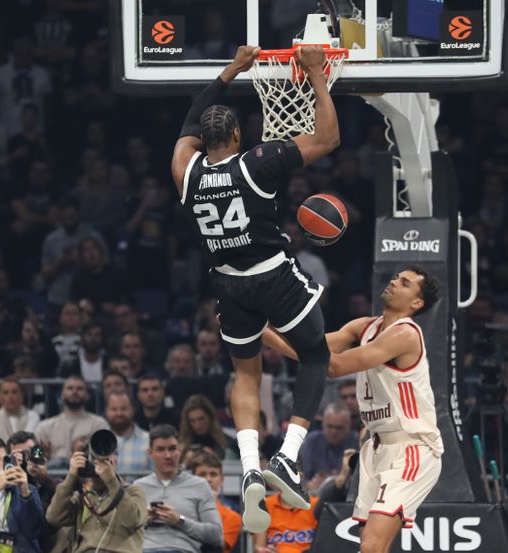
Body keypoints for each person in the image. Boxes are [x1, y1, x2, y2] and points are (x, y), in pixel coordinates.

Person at [171, 44, 340, 532]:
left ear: (201, 139)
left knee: (246, 374)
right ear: (238, 135)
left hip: (228, 285)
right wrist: (316, 74)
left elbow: (189, 119)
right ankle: (286, 456)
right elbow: (328, 138)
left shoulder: (185, 170)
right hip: (272, 275)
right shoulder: (258, 162)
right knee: (315, 355)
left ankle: (249, 466)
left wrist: (232, 70)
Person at [264, 266, 443, 553]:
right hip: (377, 447)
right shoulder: (364, 327)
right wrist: (262, 330)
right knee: (371, 546)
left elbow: (334, 367)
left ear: (416, 303)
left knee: (371, 546)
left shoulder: (405, 334)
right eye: (396, 277)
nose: (394, 282)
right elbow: (312, 348)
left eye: (405, 283)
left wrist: (263, 332)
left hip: (411, 447)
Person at [46, 434, 147, 553]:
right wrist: (71, 477)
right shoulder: (83, 496)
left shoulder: (133, 491)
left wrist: (111, 481)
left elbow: (132, 521)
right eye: (93, 460)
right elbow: (54, 518)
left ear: (115, 460)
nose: (100, 463)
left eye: (106, 459)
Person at [134, 425, 223, 553]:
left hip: (181, 549)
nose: (168, 456)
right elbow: (121, 532)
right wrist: (143, 519)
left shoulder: (199, 485)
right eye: (160, 450)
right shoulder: (138, 486)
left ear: (179, 450)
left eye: (172, 449)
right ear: (150, 453)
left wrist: (179, 520)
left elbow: (216, 535)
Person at [34, 376, 109, 464]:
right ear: (62, 394)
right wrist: (43, 454)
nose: (74, 391)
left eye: (79, 389)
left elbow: (105, 456)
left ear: (87, 395)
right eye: (70, 388)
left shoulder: (99, 424)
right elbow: (35, 457)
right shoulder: (44, 427)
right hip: (51, 470)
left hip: (86, 470)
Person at [189, 451, 242, 553]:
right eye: (202, 474)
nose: (208, 479)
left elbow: (215, 547)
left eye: (213, 474)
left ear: (221, 480)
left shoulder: (232, 517)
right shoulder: (182, 509)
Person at [299, 403, 358, 482]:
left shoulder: (357, 441)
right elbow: (304, 477)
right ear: (323, 423)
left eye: (339, 428)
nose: (334, 432)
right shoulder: (312, 441)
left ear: (349, 426)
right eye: (330, 426)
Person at [104, 391, 151, 476]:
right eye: (114, 409)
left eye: (123, 409)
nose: (119, 413)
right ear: (106, 411)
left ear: (132, 410)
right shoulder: (98, 442)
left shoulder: (149, 440)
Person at [0, 377, 41, 442]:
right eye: (5, 393)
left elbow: (31, 441)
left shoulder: (33, 417)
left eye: (14, 392)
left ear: (21, 395)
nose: (10, 396)